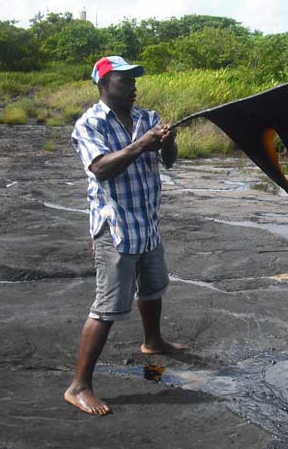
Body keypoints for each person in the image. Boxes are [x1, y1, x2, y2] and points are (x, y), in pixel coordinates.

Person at [65, 56, 185, 416]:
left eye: (134, 80)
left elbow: (170, 161)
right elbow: (101, 168)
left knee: (153, 287)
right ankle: (79, 386)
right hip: (115, 228)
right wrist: (140, 145)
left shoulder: (147, 117)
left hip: (147, 222)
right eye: (124, 80)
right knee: (107, 307)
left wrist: (167, 142)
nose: (133, 86)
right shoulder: (90, 123)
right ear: (103, 84)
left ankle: (152, 342)